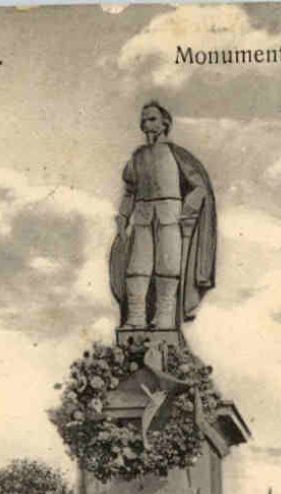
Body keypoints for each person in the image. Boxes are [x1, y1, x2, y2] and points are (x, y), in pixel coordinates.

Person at [109, 101, 216, 331]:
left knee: (167, 267)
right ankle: (136, 318)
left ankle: (164, 318)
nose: (146, 124)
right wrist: (123, 217)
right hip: (143, 215)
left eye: (152, 119)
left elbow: (199, 187)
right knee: (137, 267)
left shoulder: (177, 155)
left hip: (171, 215)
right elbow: (130, 191)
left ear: (165, 122)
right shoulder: (137, 157)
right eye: (144, 120)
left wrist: (189, 209)